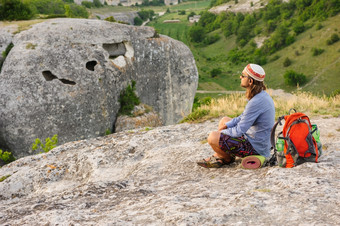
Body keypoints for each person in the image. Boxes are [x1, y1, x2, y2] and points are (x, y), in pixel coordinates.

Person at [197, 64, 275, 168]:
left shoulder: (256, 101)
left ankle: (226, 158)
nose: (240, 77)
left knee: (212, 137)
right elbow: (243, 116)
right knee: (224, 120)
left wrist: (220, 133)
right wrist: (227, 125)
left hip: (256, 147)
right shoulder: (261, 95)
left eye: (243, 75)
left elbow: (239, 130)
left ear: (250, 81)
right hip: (259, 140)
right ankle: (221, 155)